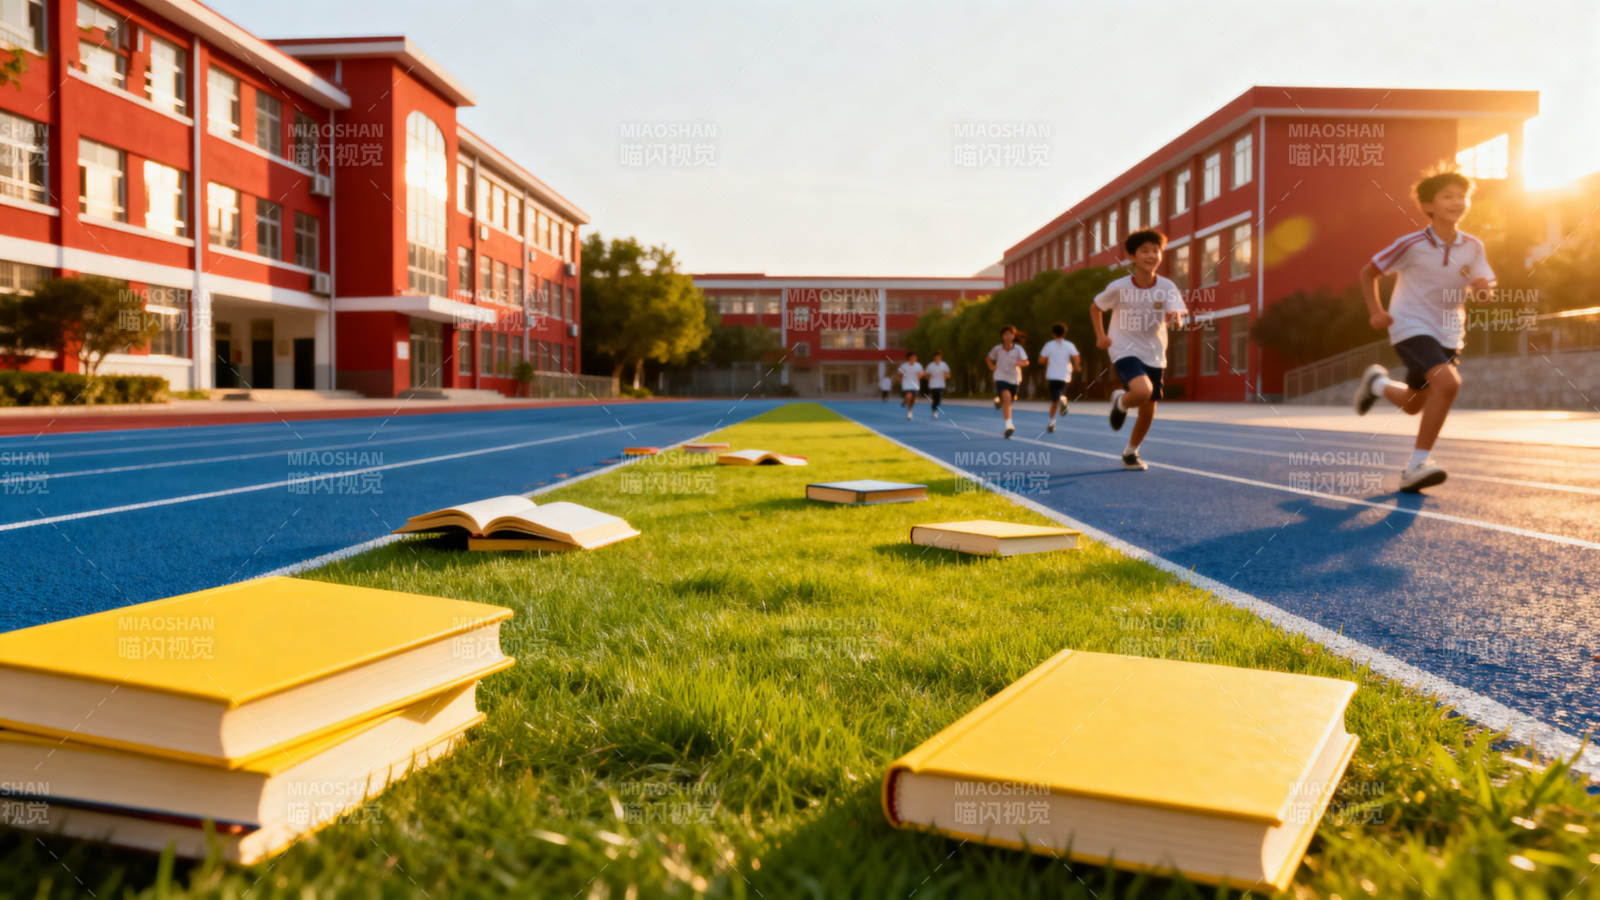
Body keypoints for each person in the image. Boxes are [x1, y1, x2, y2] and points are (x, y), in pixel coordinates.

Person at [1353, 169, 1494, 492]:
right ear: (1429, 206)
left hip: (1448, 332)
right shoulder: (1412, 244)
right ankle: (1416, 466)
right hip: (1410, 324)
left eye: (1461, 195)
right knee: (1447, 382)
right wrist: (1377, 311)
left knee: (1414, 403)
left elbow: (1484, 293)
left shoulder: (1473, 246)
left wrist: (1482, 289)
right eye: (1448, 196)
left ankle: (1376, 385)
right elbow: (1368, 272)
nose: (1457, 201)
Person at [1092, 229, 1186, 470]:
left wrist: (1176, 318)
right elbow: (1096, 307)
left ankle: (1131, 451)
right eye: (1145, 251)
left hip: (1154, 352)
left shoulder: (1166, 286)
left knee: (1148, 408)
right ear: (1132, 257)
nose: (1151, 255)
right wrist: (1101, 336)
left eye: (1156, 250)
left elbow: (1178, 313)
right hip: (1123, 347)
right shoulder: (1120, 287)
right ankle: (1122, 403)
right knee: (1143, 390)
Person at [1037, 322, 1082, 433]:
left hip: (1052, 375)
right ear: (1064, 333)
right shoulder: (1069, 345)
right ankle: (1063, 401)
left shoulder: (1049, 345)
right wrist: (1077, 365)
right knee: (1058, 396)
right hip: (1065, 375)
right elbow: (1076, 356)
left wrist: (1046, 360)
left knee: (1054, 399)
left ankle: (1052, 421)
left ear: (1053, 333)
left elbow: (1041, 360)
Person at [985, 325, 1028, 439]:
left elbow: (1026, 362)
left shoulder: (1018, 349)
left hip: (1014, 378)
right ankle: (1009, 425)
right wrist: (991, 366)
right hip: (1000, 376)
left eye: (1010, 334)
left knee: (1011, 399)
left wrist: (1019, 363)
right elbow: (988, 358)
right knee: (1007, 397)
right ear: (1002, 336)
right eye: (1005, 334)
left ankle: (998, 400)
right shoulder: (997, 349)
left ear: (1014, 336)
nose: (1008, 336)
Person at [897, 351, 924, 420]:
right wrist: (900, 382)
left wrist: (920, 375)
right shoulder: (904, 366)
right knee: (909, 396)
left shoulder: (918, 365)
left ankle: (905, 401)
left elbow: (921, 374)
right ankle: (909, 411)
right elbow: (899, 375)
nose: (913, 358)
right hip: (906, 384)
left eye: (915, 357)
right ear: (909, 358)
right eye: (912, 357)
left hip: (915, 385)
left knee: (913, 400)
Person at [925, 350, 952, 419]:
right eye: (936, 357)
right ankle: (935, 411)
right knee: (935, 399)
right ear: (934, 357)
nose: (937, 358)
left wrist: (946, 375)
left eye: (939, 357)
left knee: (939, 399)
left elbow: (948, 374)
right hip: (933, 385)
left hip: (941, 385)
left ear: (940, 357)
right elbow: (926, 375)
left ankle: (934, 407)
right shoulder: (930, 366)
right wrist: (929, 376)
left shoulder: (944, 365)